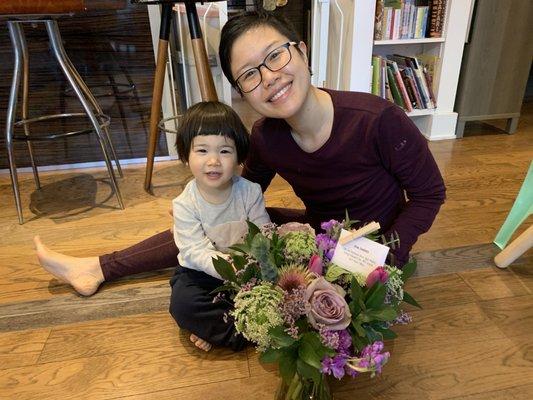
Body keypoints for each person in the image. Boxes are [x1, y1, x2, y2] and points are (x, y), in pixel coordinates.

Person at [36, 10, 446, 349]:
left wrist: (388, 252)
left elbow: (430, 194)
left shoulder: (377, 120)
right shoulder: (267, 137)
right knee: (219, 215)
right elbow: (237, 195)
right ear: (241, 91)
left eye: (275, 57)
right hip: (316, 236)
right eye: (249, 74)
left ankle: (245, 327)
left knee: (335, 321)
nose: (268, 78)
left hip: (371, 249)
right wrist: (202, 190)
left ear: (302, 52)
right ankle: (100, 267)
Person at [36, 101, 271, 352]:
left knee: (274, 293)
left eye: (225, 151)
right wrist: (227, 268)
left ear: (239, 155)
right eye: (202, 150)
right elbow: (194, 252)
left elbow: (264, 233)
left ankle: (227, 328)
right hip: (200, 273)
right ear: (185, 155)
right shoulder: (184, 203)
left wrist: (255, 266)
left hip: (245, 270)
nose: (213, 161)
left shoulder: (249, 191)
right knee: (183, 304)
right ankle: (229, 328)